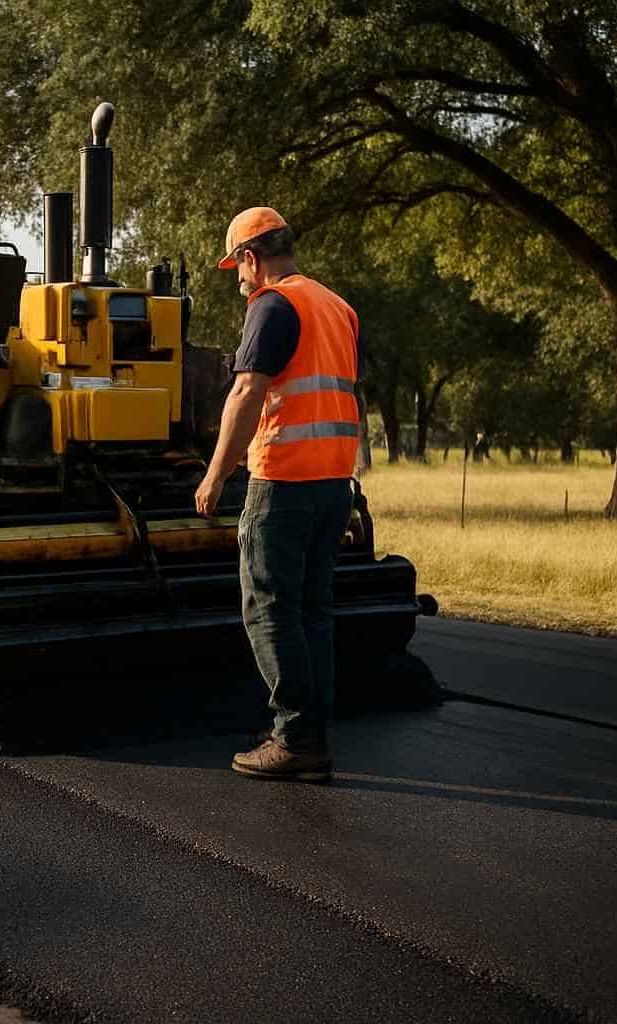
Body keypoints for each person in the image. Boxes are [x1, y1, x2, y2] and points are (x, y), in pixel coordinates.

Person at [193, 207, 362, 783]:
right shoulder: (337, 307)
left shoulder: (272, 304)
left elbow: (246, 392)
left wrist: (216, 473)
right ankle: (309, 733)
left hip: (283, 483)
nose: (237, 279)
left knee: (267, 610)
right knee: (312, 611)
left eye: (236, 266)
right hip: (334, 484)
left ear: (250, 257)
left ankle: (296, 739)